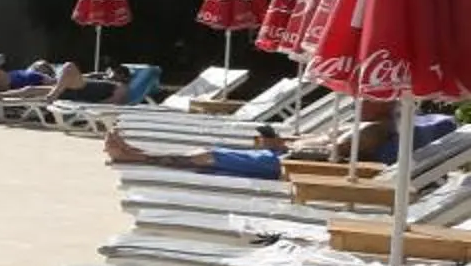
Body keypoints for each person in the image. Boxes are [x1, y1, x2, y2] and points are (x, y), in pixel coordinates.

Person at [104, 98, 445, 179]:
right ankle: (136, 152)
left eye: (368, 95)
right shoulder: (374, 125)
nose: (359, 98)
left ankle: (135, 156)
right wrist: (289, 140)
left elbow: (334, 153)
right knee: (212, 152)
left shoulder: (376, 129)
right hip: (294, 158)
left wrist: (288, 147)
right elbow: (330, 142)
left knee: (209, 154)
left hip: (300, 170)